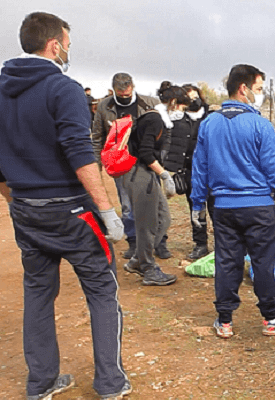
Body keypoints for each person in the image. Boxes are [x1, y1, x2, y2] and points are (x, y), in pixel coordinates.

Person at [0, 12, 131, 400]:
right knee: (102, 292)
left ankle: (40, 383)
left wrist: (16, 199)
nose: (68, 52)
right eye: (68, 45)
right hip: (74, 213)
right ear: (54, 45)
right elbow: (80, 153)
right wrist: (106, 211)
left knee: (38, 294)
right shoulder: (64, 88)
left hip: (26, 210)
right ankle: (110, 382)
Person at [191, 64, 275, 339]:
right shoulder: (259, 124)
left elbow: (200, 167)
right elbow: (274, 166)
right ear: (244, 89)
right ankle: (272, 318)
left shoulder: (209, 123)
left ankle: (225, 320)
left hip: (224, 208)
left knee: (227, 262)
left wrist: (196, 203)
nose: (260, 94)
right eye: (259, 89)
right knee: (263, 263)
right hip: (258, 207)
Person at [91, 73, 172, 260]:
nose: (124, 98)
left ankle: (160, 242)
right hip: (121, 165)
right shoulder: (105, 106)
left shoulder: (150, 103)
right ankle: (134, 243)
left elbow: (166, 130)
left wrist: (162, 159)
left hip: (146, 163)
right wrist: (97, 167)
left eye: (127, 94)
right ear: (113, 91)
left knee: (156, 207)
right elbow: (97, 137)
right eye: (120, 95)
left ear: (133, 87)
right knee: (128, 207)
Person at [120, 81, 183, 286]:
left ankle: (138, 259)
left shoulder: (154, 117)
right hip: (140, 174)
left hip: (146, 175)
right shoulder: (154, 119)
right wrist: (165, 175)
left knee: (163, 219)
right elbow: (146, 153)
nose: (181, 111)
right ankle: (148, 269)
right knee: (147, 225)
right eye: (181, 106)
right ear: (173, 102)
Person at [161, 84, 214, 260]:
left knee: (216, 207)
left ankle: (222, 243)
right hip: (190, 171)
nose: (193, 100)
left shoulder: (211, 116)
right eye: (189, 98)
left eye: (195, 96)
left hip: (211, 170)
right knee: (196, 209)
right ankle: (200, 244)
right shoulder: (177, 119)